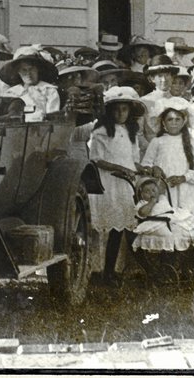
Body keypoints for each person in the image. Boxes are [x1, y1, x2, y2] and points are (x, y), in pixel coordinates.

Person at [82, 86, 151, 285]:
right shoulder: (101, 132)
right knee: (101, 229)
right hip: (107, 183)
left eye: (124, 109)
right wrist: (120, 168)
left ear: (129, 112)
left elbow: (133, 160)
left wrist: (142, 169)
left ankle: (111, 271)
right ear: (109, 111)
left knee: (118, 229)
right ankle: (95, 270)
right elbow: (96, 159)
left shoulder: (130, 133)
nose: (121, 113)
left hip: (125, 185)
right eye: (116, 109)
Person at [132, 175, 194, 265]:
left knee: (184, 218)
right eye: (147, 191)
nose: (151, 193)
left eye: (153, 190)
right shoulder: (142, 203)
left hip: (170, 218)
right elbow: (142, 213)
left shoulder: (162, 198)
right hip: (156, 222)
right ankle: (168, 263)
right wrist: (152, 202)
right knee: (174, 228)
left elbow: (169, 208)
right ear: (141, 195)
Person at [0, 45, 61, 121]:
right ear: (18, 72)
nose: (28, 73)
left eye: (31, 69)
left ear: (38, 69)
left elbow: (53, 117)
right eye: (24, 70)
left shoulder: (49, 91)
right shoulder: (11, 93)